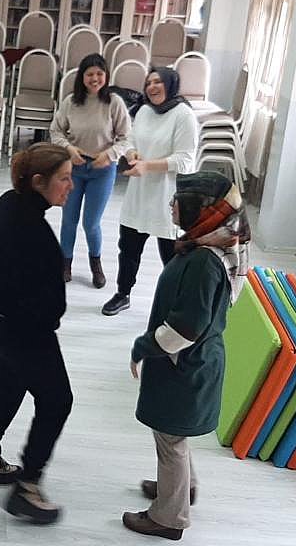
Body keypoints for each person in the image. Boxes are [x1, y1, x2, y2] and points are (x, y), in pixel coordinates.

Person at [124, 171, 248, 540]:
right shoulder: (216, 244)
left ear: (200, 210)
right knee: (174, 435)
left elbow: (186, 327)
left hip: (185, 365)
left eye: (179, 201)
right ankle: (181, 488)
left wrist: (143, 346)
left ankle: (168, 517)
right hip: (196, 361)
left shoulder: (202, 262)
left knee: (170, 440)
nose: (171, 204)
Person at [0, 142, 75, 525]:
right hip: (22, 328)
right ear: (38, 181)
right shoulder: (36, 233)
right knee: (57, 400)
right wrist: (48, 323)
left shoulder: (8, 202)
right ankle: (27, 487)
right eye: (64, 179)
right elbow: (48, 301)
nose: (71, 186)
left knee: (9, 383)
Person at [102, 68, 198, 317]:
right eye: (148, 83)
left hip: (168, 197)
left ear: (170, 84)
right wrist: (131, 153)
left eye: (158, 82)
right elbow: (130, 140)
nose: (152, 87)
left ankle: (175, 305)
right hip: (139, 193)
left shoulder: (184, 115)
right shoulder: (144, 110)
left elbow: (185, 160)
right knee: (128, 249)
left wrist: (148, 166)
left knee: (171, 257)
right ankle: (123, 294)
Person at [49, 53, 131, 288]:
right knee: (69, 220)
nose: (95, 79)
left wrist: (109, 155)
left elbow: (126, 138)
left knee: (91, 223)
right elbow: (56, 131)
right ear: (82, 77)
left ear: (106, 76)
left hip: (102, 169)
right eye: (89, 74)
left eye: (99, 74)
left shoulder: (114, 102)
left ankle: (96, 263)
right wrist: (69, 149)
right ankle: (65, 263)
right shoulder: (71, 102)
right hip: (73, 168)